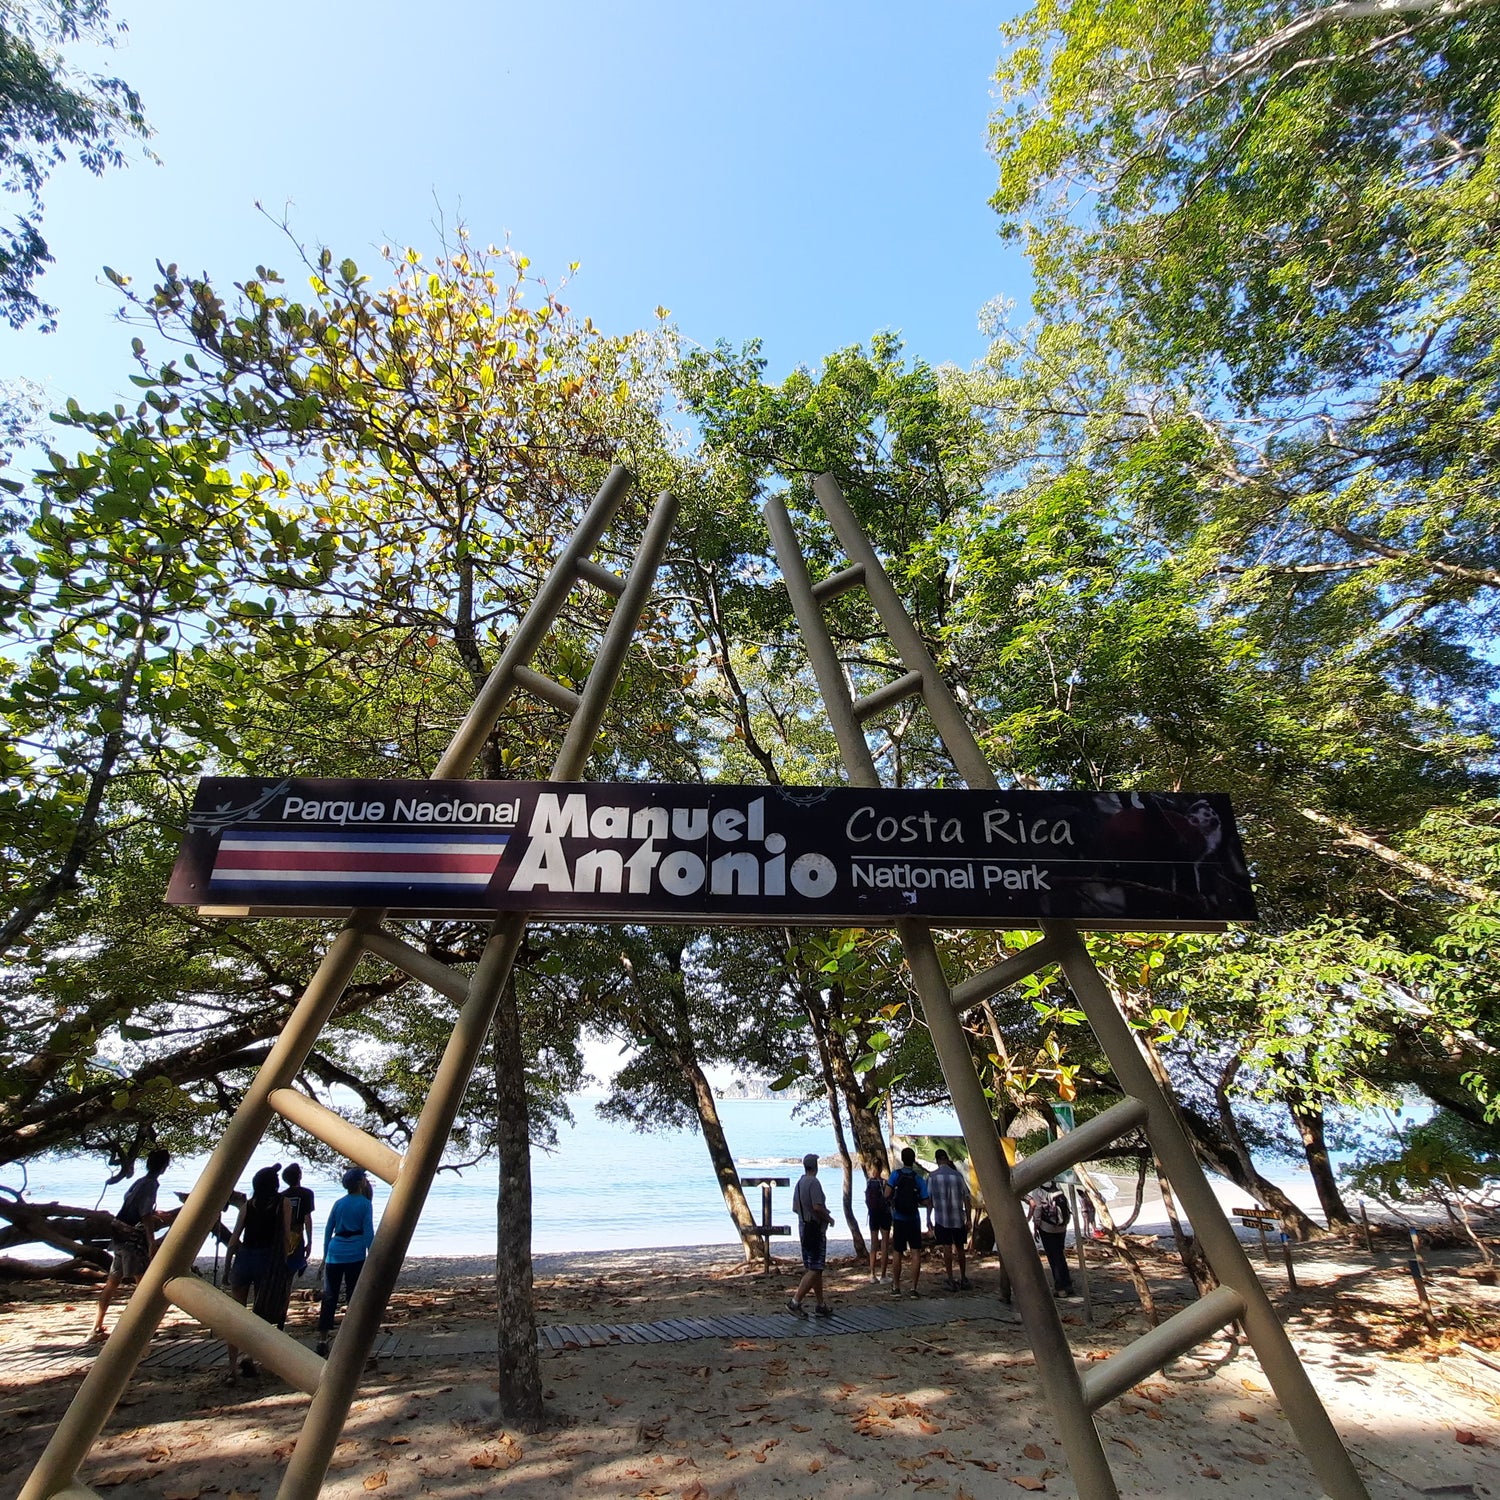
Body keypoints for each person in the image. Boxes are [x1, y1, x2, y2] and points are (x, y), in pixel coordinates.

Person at [90, 1148, 172, 1341]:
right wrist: (152, 1242)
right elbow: (144, 1214)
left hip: (119, 1234)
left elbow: (130, 1202)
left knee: (112, 1282)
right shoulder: (151, 1184)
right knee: (142, 1284)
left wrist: (153, 1214)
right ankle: (140, 1328)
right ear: (163, 1167)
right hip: (133, 1240)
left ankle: (97, 1326)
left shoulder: (139, 1181)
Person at [225, 1164, 289, 1380]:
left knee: (236, 1314)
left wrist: (227, 1266)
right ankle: (252, 1357)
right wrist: (287, 1262)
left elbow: (235, 1238)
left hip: (244, 1258)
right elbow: (286, 1236)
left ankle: (232, 1368)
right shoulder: (283, 1203)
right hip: (268, 1261)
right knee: (262, 1315)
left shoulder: (248, 1205)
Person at [319, 1166, 375, 1356]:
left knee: (330, 1296)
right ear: (361, 1182)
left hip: (335, 1252)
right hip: (355, 1253)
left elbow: (328, 1230)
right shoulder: (365, 1204)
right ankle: (350, 1339)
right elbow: (368, 1232)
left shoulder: (339, 1203)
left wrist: (325, 1254)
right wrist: (372, 1255)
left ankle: (323, 1337)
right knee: (353, 1296)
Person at [786, 1153, 835, 1318]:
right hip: (814, 1228)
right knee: (815, 1267)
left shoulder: (799, 1183)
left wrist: (804, 1215)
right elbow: (817, 1206)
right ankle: (795, 1301)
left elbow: (794, 1207)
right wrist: (828, 1218)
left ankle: (820, 1304)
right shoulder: (814, 1182)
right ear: (815, 1166)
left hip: (803, 1226)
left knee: (814, 1267)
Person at [928, 1149, 973, 1291]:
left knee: (947, 1247)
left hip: (942, 1218)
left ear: (936, 1160)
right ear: (946, 1159)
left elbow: (929, 1200)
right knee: (960, 1248)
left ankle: (950, 1279)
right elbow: (967, 1198)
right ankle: (964, 1277)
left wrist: (928, 1217)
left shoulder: (932, 1177)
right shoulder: (958, 1176)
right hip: (958, 1217)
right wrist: (969, 1218)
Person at [888, 1146, 928, 1298]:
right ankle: (913, 1288)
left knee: (897, 1252)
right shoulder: (918, 1179)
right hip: (914, 1219)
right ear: (914, 1159)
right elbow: (925, 1200)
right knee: (915, 1252)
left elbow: (886, 1194)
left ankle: (896, 1287)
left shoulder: (895, 1176)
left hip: (898, 1218)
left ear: (902, 1159)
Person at [1027, 1178, 1075, 1297]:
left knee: (1053, 1258)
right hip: (1062, 1227)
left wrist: (1035, 1225)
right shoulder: (1057, 1185)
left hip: (1047, 1228)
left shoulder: (1038, 1191)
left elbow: (1037, 1209)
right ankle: (1068, 1284)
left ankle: (1060, 1288)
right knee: (1060, 1254)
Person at [865, 1167, 892, 1283]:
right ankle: (883, 1275)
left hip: (873, 1214)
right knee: (885, 1243)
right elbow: (889, 1198)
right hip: (884, 1214)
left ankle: (872, 1274)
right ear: (880, 1170)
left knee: (873, 1244)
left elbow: (866, 1200)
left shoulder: (869, 1182)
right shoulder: (885, 1182)